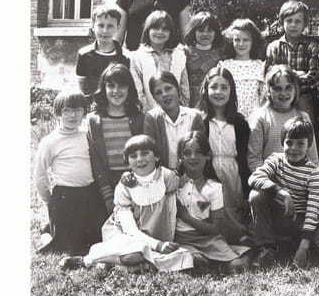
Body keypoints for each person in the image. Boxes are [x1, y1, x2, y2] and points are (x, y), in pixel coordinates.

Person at [80, 135, 194, 272]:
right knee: (136, 253)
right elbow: (130, 230)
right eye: (133, 156)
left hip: (156, 239)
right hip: (126, 235)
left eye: (145, 153)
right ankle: (88, 259)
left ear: (156, 156)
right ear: (128, 162)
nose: (139, 159)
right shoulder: (124, 187)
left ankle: (119, 266)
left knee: (186, 257)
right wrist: (158, 245)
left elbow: (173, 207)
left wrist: (166, 241)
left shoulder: (167, 177)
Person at [248, 118, 319, 266]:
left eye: (300, 143)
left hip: (303, 218)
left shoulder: (314, 173)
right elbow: (254, 177)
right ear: (282, 143)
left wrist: (304, 246)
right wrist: (281, 193)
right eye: (289, 143)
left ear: (308, 145)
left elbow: (313, 210)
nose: (294, 148)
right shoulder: (276, 160)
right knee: (256, 195)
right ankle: (266, 247)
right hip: (280, 215)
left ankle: (296, 243)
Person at [34, 90, 105, 256]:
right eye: (67, 110)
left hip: (90, 194)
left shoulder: (87, 135)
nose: (73, 115)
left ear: (84, 113)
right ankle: (47, 234)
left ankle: (49, 229)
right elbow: (40, 176)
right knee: (66, 247)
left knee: (94, 241)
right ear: (58, 113)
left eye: (78, 110)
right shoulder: (50, 142)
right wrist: (50, 202)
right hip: (65, 197)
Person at [173, 131, 252, 271]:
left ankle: (244, 253)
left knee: (236, 266)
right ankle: (202, 259)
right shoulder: (172, 183)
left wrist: (186, 217)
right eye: (187, 153)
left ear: (208, 155)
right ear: (180, 157)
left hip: (208, 239)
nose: (193, 157)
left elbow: (215, 228)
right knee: (194, 262)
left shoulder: (214, 188)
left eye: (198, 152)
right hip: (182, 240)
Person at [198, 66, 251, 241]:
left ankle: (236, 237)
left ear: (231, 91)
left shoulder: (239, 122)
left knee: (233, 208)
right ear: (206, 90)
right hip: (208, 172)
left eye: (224, 87)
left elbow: (244, 157)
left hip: (233, 173)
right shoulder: (200, 121)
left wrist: (246, 187)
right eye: (214, 87)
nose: (218, 92)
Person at [86, 63, 145, 213]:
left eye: (122, 86)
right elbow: (95, 159)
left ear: (129, 89)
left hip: (135, 183)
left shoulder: (138, 119)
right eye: (111, 86)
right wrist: (107, 195)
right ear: (103, 88)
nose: (116, 91)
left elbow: (143, 155)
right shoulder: (94, 120)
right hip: (105, 186)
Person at [247, 65, 319, 172]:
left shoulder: (303, 117)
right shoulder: (260, 117)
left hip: (299, 178)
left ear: (295, 89)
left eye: (288, 88)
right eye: (277, 89)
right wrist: (268, 181)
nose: (283, 93)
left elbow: (312, 158)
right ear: (268, 91)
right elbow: (254, 159)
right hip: (270, 178)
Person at [265, 0, 319, 119]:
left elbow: (313, 77)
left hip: (303, 95)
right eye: (289, 21)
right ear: (281, 22)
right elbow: (270, 75)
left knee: (304, 121)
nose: (293, 25)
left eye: (298, 21)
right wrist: (297, 75)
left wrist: (287, 77)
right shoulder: (274, 47)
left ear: (304, 24)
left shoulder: (311, 47)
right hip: (280, 94)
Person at [142, 71, 204, 171]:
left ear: (178, 89)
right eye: (158, 92)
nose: (164, 94)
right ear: (154, 98)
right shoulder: (152, 118)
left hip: (191, 174)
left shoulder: (194, 116)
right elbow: (151, 152)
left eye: (168, 88)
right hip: (162, 175)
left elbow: (200, 151)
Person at [129, 10, 189, 112]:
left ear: (170, 32)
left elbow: (184, 88)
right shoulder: (137, 56)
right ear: (147, 29)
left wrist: (183, 112)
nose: (160, 32)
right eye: (156, 28)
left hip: (176, 113)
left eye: (165, 29)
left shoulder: (179, 55)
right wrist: (148, 114)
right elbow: (138, 90)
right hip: (149, 113)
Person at [75, 5, 130, 97]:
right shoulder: (84, 54)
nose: (105, 31)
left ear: (118, 27)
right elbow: (82, 90)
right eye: (100, 25)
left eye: (110, 26)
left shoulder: (126, 56)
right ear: (93, 26)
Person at [219, 18, 267, 120]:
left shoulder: (260, 66)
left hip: (254, 118)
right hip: (230, 117)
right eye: (237, 40)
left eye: (245, 40)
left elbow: (264, 97)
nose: (241, 44)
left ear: (253, 42)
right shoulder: (225, 66)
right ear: (231, 41)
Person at [183, 11, 224, 108]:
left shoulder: (221, 55)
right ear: (193, 31)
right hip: (188, 103)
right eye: (201, 30)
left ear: (216, 32)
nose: (205, 34)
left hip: (213, 103)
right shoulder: (185, 53)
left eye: (209, 30)